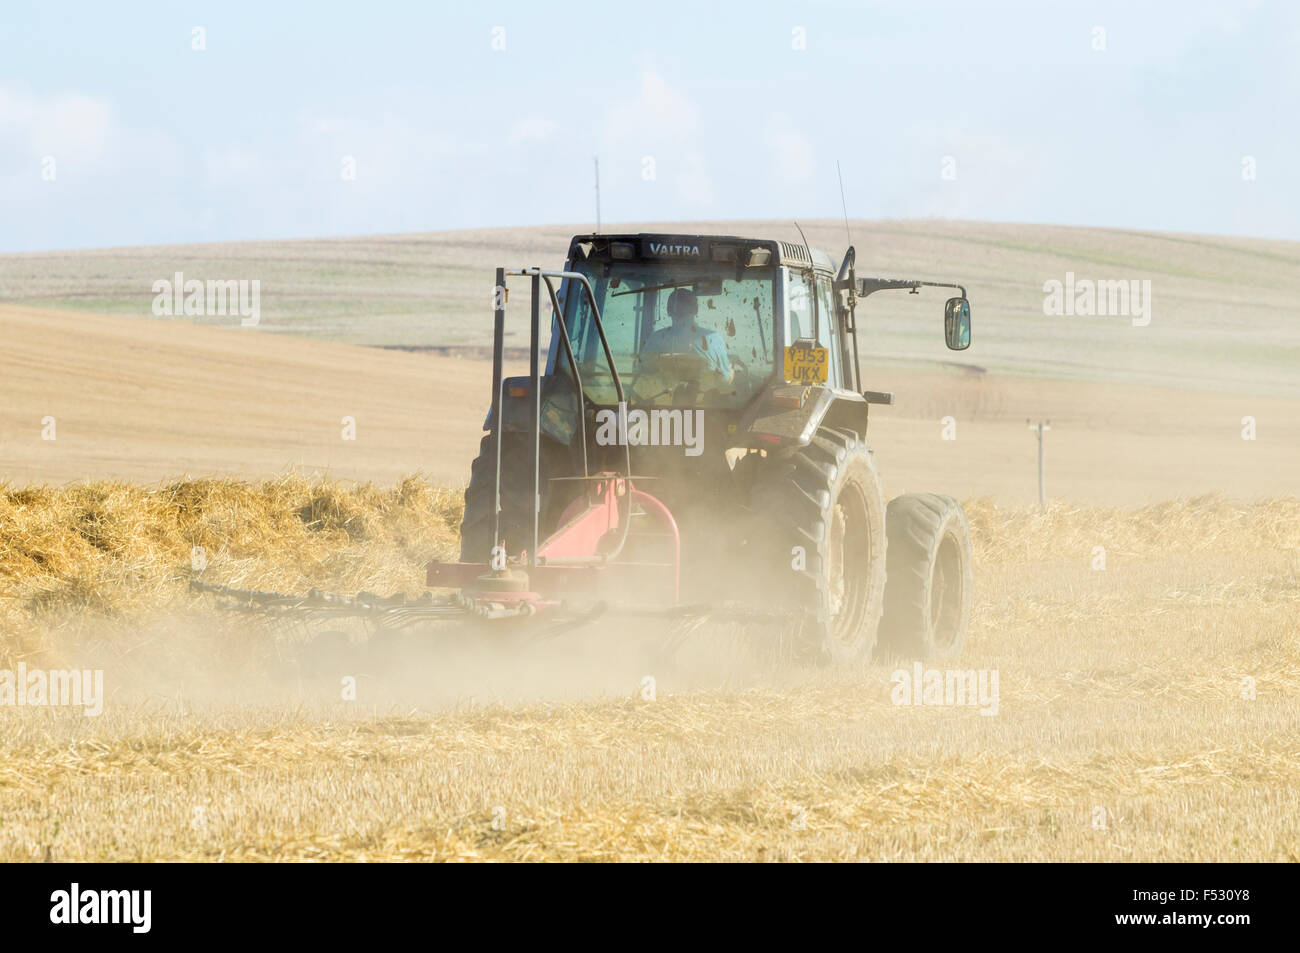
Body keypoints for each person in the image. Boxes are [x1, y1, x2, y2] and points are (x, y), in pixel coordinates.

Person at [642, 288, 734, 384]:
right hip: (705, 397)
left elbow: (642, 374)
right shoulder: (713, 339)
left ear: (668, 310)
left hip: (659, 397)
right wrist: (731, 372)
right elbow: (724, 379)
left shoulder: (656, 339)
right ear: (696, 310)